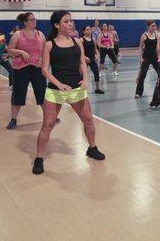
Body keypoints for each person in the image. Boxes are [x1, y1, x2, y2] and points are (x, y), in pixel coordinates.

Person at [32, 11, 105, 175]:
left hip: (77, 89)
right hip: (55, 90)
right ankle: (38, 158)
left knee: (88, 120)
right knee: (48, 125)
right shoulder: (50, 44)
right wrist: (59, 84)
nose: (71, 23)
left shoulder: (77, 41)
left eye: (71, 21)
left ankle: (92, 148)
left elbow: (83, 62)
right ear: (57, 25)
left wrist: (86, 79)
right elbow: (44, 69)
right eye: (66, 21)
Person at [6, 13, 47, 130]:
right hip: (21, 69)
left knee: (42, 93)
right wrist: (21, 52)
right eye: (31, 19)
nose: (34, 21)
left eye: (35, 19)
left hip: (37, 68)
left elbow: (45, 50)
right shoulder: (18, 34)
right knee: (18, 94)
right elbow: (9, 50)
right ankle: (13, 119)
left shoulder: (40, 34)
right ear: (25, 22)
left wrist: (42, 59)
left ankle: (48, 116)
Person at [135, 20, 159, 98]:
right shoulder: (144, 35)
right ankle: (138, 92)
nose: (154, 27)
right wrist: (140, 58)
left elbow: (157, 48)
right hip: (146, 57)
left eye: (155, 25)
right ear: (148, 27)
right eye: (152, 26)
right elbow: (140, 47)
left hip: (155, 57)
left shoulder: (157, 35)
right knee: (143, 74)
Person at [81, 25, 105, 94]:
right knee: (82, 75)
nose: (89, 31)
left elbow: (95, 49)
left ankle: (97, 89)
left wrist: (97, 55)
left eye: (90, 29)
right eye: (87, 29)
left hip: (92, 60)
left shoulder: (93, 39)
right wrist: (84, 57)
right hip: (84, 60)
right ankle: (81, 89)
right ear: (83, 31)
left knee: (96, 73)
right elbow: (79, 51)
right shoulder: (81, 40)